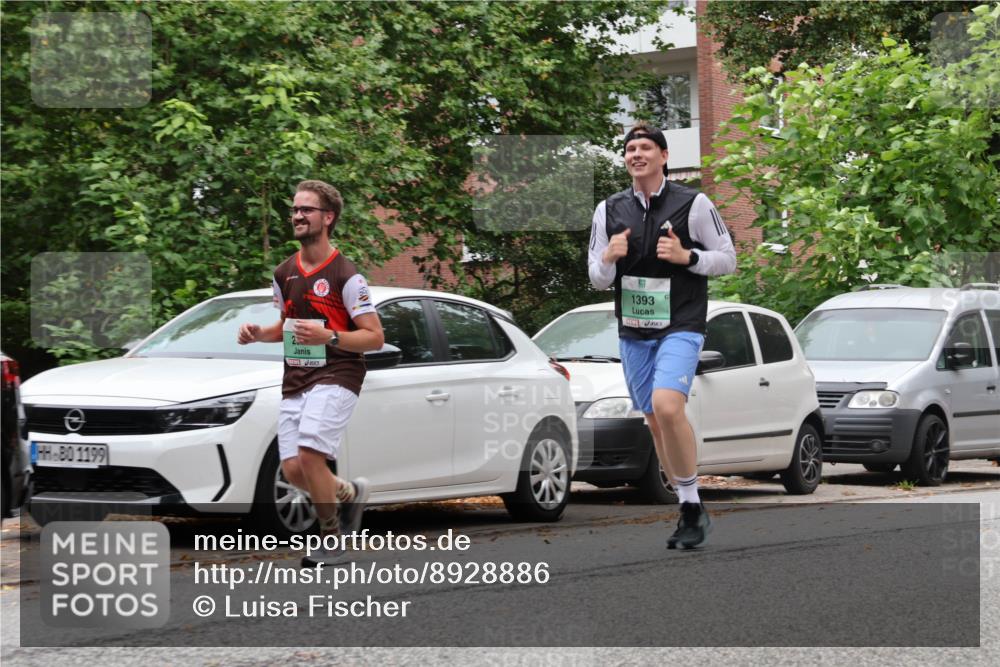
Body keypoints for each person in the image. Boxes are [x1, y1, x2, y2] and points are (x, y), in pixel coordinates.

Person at [588, 122, 736, 549]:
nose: (637, 154)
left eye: (646, 147)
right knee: (655, 421)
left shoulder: (694, 203)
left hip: (682, 323)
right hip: (634, 330)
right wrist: (609, 258)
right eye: (630, 149)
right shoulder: (609, 210)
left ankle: (690, 503)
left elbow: (727, 259)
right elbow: (597, 279)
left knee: (667, 406)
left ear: (664, 157)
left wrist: (687, 256)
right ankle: (690, 508)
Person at [238, 179, 385, 567]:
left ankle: (331, 539)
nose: (297, 216)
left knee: (309, 455)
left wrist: (330, 336)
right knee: (293, 468)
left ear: (328, 217)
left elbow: (374, 337)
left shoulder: (346, 275)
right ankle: (349, 494)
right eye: (295, 209)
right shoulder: (284, 271)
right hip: (297, 377)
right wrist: (258, 334)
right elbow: (286, 326)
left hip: (339, 373)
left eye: (307, 210)